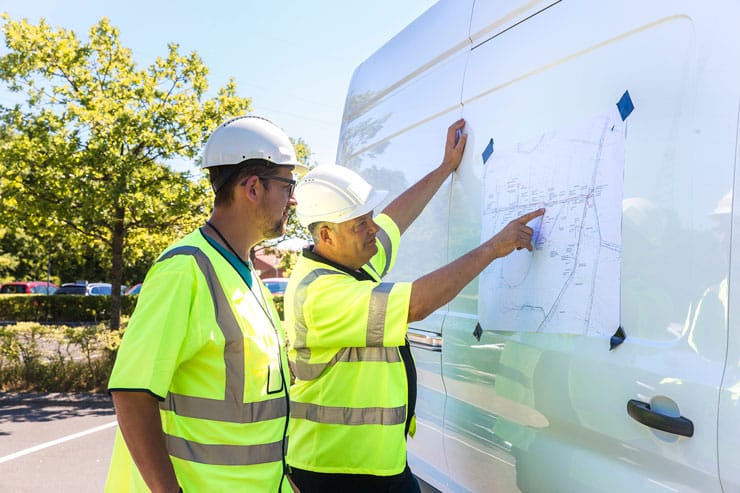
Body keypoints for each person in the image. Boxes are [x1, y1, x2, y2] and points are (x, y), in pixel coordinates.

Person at [284, 118, 545, 492]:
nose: (373, 228)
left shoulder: (352, 262)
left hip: (376, 462)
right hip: (336, 470)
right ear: (326, 234)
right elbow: (417, 304)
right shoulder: (320, 294)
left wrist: (444, 169)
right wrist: (493, 247)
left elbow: (396, 219)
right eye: (361, 224)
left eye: (369, 218)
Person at [105, 115, 305, 492]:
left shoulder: (243, 271)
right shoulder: (184, 270)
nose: (292, 198)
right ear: (252, 187)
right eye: (287, 184)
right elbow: (132, 395)